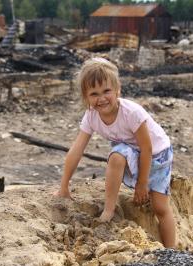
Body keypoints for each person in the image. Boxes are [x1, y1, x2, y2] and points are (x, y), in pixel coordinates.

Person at [53, 57, 176, 248]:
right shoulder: (91, 116)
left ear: (117, 89)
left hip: (157, 154)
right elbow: (76, 150)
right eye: (94, 94)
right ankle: (108, 210)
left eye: (106, 91)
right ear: (86, 98)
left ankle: (172, 252)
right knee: (116, 155)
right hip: (129, 151)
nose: (101, 98)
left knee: (160, 208)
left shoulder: (132, 113)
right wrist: (64, 187)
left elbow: (147, 148)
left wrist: (142, 185)